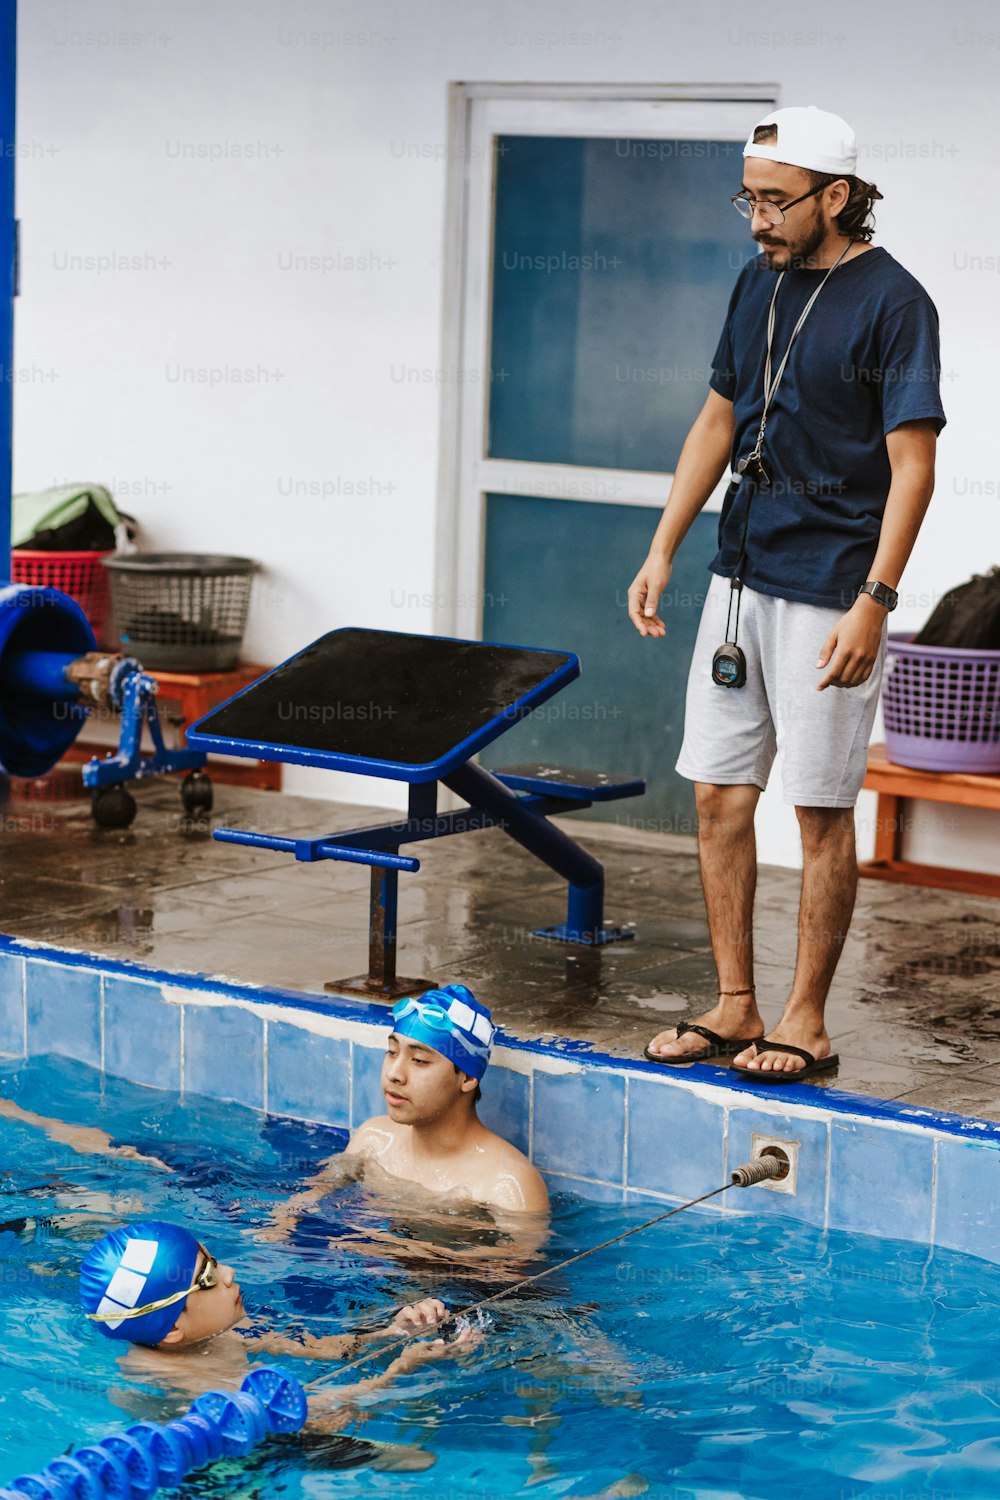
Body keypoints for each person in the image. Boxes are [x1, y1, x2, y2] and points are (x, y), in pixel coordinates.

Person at [628, 106, 945, 1082]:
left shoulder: (894, 303)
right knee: (720, 798)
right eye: (747, 200)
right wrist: (663, 547)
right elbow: (716, 419)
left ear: (836, 196)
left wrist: (875, 599)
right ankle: (735, 1002)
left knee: (815, 810)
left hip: (830, 590)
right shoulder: (753, 284)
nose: (756, 220)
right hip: (738, 579)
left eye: (774, 201)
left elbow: (913, 465)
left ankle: (803, 1020)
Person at [79, 1219, 476, 1423]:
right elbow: (317, 1417)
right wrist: (402, 1369)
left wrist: (396, 1330)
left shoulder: (211, 1334)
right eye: (207, 1278)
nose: (229, 1273)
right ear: (172, 1329)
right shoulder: (191, 1385)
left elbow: (325, 1349)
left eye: (214, 1260)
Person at [267, 985, 549, 1240]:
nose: (394, 1074)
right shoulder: (373, 1139)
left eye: (419, 1060)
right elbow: (317, 1191)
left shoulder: (507, 1183)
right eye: (391, 1052)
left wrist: (389, 1247)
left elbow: (512, 1273)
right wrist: (283, 1220)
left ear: (466, 1078)